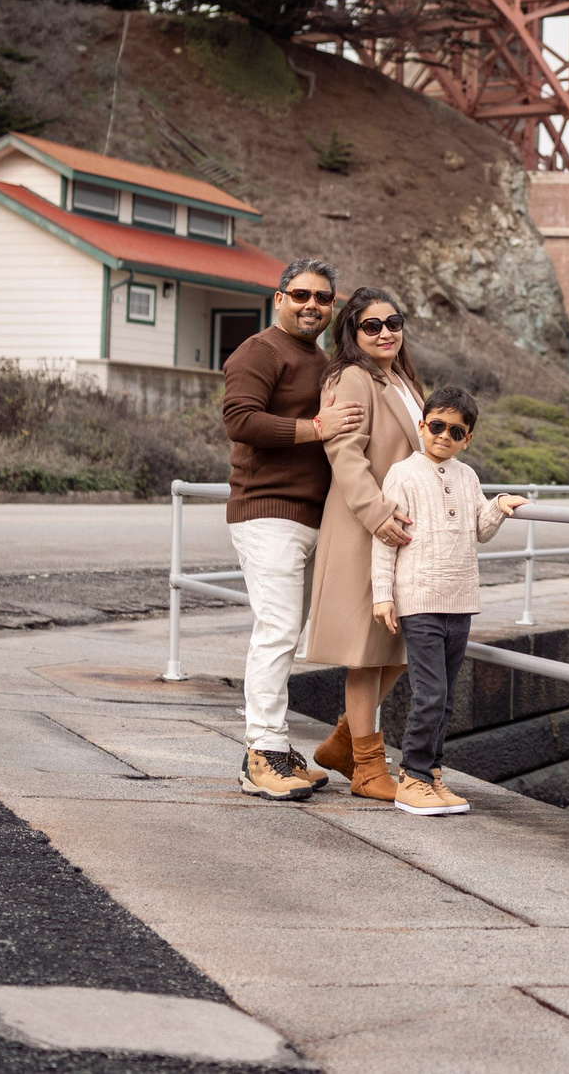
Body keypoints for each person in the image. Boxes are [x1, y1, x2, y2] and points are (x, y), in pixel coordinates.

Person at [219, 257, 364, 800]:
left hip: (309, 516)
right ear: (279, 297)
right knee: (277, 631)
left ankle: (276, 750)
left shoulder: (317, 357)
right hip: (266, 511)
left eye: (323, 298)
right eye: (300, 294)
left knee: (288, 633)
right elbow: (240, 419)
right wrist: (316, 427)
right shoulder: (260, 350)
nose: (312, 305)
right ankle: (261, 753)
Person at [369, 385, 523, 814]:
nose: (444, 436)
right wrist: (383, 595)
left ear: (467, 439)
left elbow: (480, 529)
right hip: (418, 599)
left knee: (447, 695)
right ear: (422, 425)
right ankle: (412, 777)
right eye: (436, 426)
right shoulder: (402, 473)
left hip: (460, 599)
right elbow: (384, 539)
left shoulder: (467, 475)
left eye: (456, 431)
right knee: (430, 692)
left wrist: (500, 505)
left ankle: (432, 772)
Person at [301, 285, 426, 801]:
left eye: (392, 323)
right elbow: (345, 455)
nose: (385, 333)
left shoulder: (402, 379)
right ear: (351, 332)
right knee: (367, 654)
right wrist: (376, 514)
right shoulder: (351, 377)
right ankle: (369, 768)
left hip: (402, 534)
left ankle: (343, 742)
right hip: (362, 528)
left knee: (398, 645)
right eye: (371, 326)